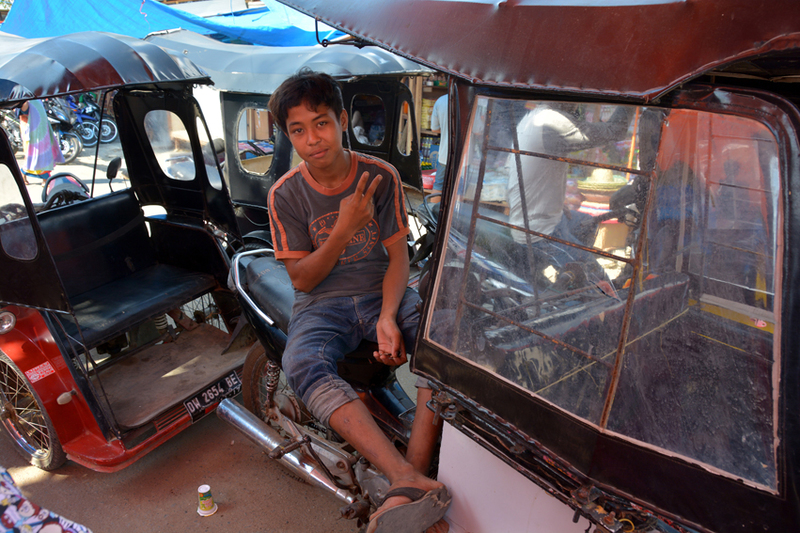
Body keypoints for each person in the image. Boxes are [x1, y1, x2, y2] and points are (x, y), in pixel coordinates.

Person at [267, 70, 450, 533]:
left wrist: (388, 316)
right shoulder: (285, 194)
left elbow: (398, 258)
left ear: (342, 120)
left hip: (381, 291)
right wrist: (345, 228)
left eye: (321, 123)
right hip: (321, 304)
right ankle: (405, 478)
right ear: (288, 135)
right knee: (301, 363)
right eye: (298, 130)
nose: (312, 139)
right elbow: (303, 279)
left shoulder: (380, 176)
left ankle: (410, 475)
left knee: (440, 345)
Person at [506, 103, 633, 283]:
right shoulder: (552, 122)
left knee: (587, 223)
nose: (577, 107)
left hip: (543, 218)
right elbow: (615, 130)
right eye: (576, 102)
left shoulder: (534, 118)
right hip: (540, 230)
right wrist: (636, 99)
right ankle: (578, 276)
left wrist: (554, 203)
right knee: (599, 281)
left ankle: (570, 270)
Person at [17, 100, 64, 185]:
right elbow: (23, 111)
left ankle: (42, 178)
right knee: (33, 156)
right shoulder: (24, 98)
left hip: (43, 131)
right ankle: (29, 175)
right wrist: (24, 100)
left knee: (44, 155)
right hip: (31, 133)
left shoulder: (37, 98)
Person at [429, 92, 448, 203]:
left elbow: (434, 129)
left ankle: (432, 210)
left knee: (439, 184)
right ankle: (455, 211)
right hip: (464, 156)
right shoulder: (470, 98)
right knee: (460, 187)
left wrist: (446, 130)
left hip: (445, 153)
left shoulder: (441, 101)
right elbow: (478, 131)